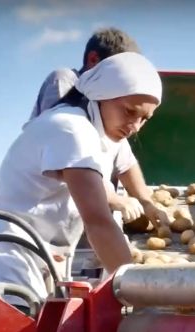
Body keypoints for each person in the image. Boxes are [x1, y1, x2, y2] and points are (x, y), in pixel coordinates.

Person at [0, 52, 163, 309]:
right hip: (9, 264)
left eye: (144, 119)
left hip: (43, 261)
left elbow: (127, 164)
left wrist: (147, 202)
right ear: (100, 94)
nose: (136, 126)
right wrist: (141, 296)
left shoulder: (104, 129)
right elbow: (98, 222)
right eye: (130, 112)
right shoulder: (71, 128)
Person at [27, 27, 163, 233]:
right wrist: (115, 199)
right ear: (93, 59)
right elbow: (66, 152)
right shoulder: (65, 82)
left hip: (79, 216)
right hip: (43, 212)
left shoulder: (107, 114)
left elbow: (126, 163)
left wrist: (146, 202)